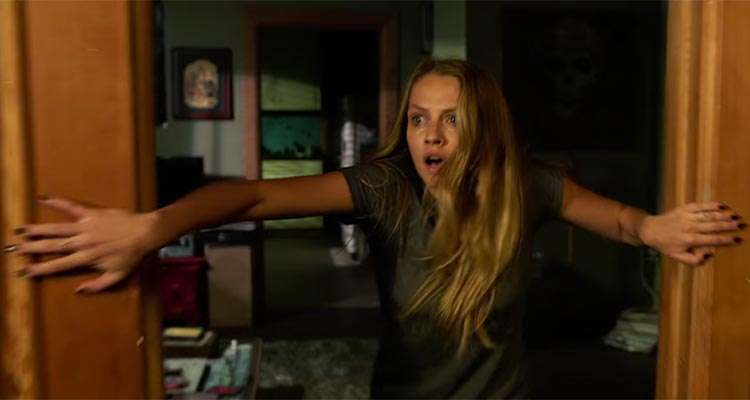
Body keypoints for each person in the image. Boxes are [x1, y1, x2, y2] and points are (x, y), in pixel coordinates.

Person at [6, 59, 744, 398]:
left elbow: (619, 219)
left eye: (451, 120)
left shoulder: (529, 185)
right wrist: (149, 229)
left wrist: (657, 228)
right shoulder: (388, 187)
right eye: (419, 118)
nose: (431, 135)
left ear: (483, 128)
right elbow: (252, 198)